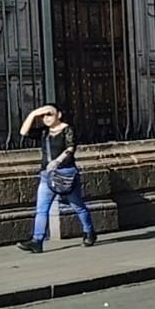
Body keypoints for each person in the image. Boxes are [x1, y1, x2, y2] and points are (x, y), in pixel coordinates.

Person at [16, 103, 96, 253]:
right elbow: (23, 132)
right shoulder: (44, 132)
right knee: (41, 209)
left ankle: (89, 232)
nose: (46, 118)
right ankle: (37, 240)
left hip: (66, 173)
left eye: (49, 114)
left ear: (58, 115)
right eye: (43, 116)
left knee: (77, 205)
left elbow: (70, 148)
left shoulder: (67, 129)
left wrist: (57, 161)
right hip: (47, 175)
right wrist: (33, 114)